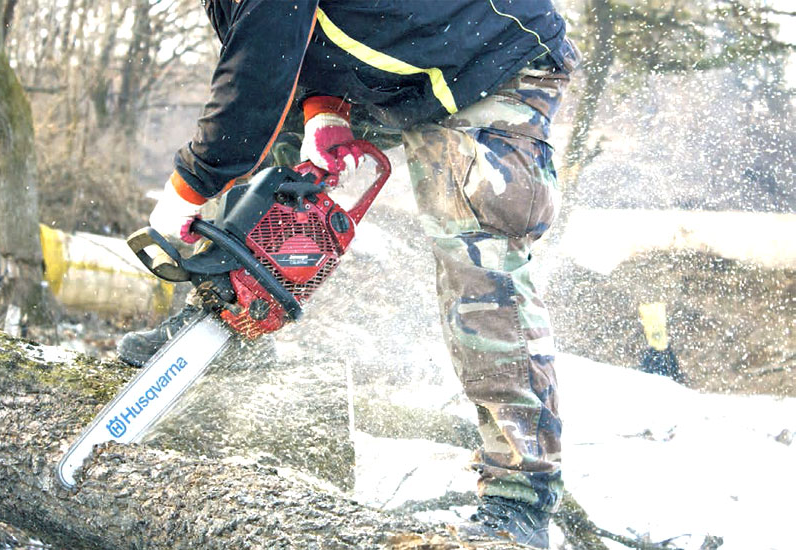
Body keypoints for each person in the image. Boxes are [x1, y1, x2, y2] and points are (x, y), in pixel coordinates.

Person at [119, 2, 580, 548]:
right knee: (287, 163)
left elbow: (257, 71)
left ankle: (519, 498)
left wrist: (193, 183)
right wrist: (325, 110)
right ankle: (227, 320)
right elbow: (306, 36)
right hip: (405, 69)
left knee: (475, 254)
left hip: (490, 56)